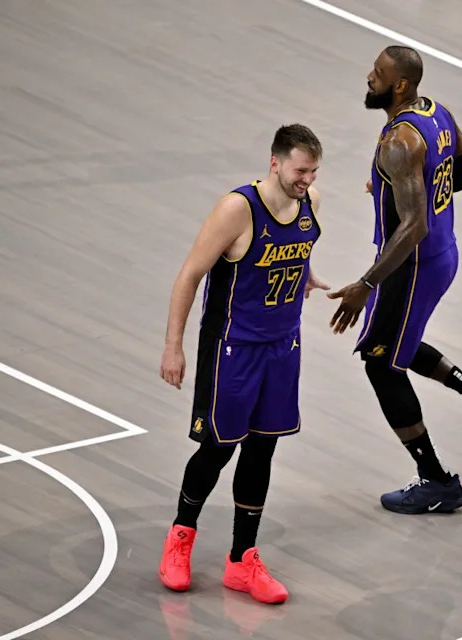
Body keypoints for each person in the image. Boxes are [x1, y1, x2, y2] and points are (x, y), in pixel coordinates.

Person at [327, 46, 462, 515]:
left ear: (399, 84)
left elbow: (412, 225)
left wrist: (365, 284)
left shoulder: (399, 142)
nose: (368, 77)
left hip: (411, 265)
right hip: (442, 253)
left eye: (377, 74)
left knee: (380, 362)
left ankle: (437, 481)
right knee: (399, 341)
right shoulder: (436, 113)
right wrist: (400, 187)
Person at [157, 124, 329, 604]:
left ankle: (241, 559)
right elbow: (190, 274)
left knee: (262, 450)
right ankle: (180, 539)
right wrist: (174, 346)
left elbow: (299, 245)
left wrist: (304, 276)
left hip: (282, 347)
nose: (307, 178)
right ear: (275, 162)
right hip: (232, 347)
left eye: (313, 170)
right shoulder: (238, 208)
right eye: (300, 169)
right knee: (217, 449)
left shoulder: (310, 199)